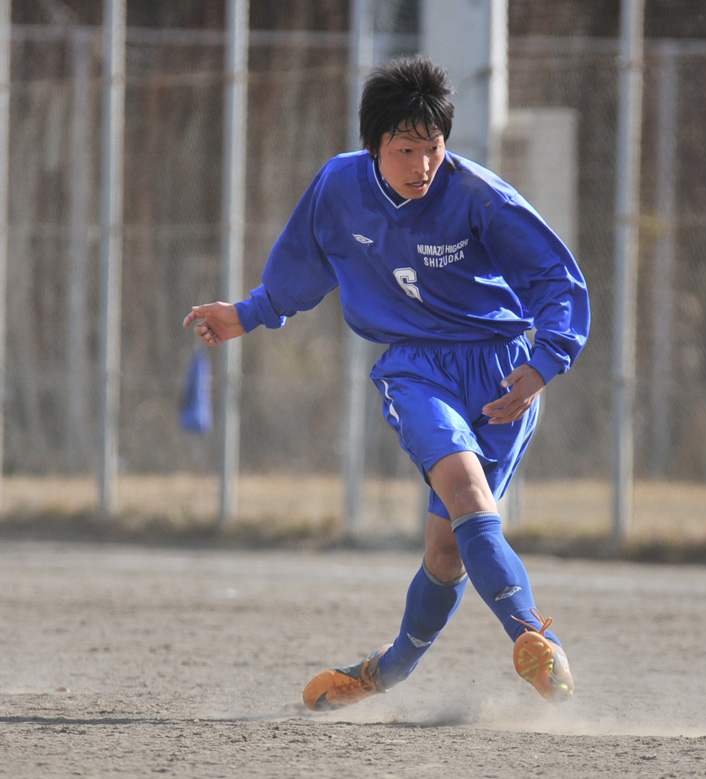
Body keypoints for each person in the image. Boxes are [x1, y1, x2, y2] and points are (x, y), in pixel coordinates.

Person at [183, 55, 590, 710]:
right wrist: (247, 313)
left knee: (448, 551)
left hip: (502, 370)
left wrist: (544, 365)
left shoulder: (477, 195)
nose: (423, 164)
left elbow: (557, 280)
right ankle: (536, 638)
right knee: (467, 495)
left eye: (434, 147)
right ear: (374, 145)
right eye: (406, 149)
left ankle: (387, 669)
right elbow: (305, 264)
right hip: (417, 369)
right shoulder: (339, 188)